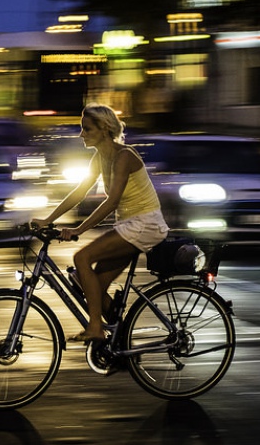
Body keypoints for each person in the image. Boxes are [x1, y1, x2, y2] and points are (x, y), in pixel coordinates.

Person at [31, 103, 169, 342]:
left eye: (87, 129)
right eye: (81, 129)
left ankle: (96, 328)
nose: (81, 134)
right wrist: (47, 220)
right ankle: (120, 342)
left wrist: (78, 229)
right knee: (92, 284)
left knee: (81, 258)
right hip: (129, 225)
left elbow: (112, 201)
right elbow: (79, 192)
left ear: (104, 129)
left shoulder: (124, 156)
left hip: (145, 224)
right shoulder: (100, 157)